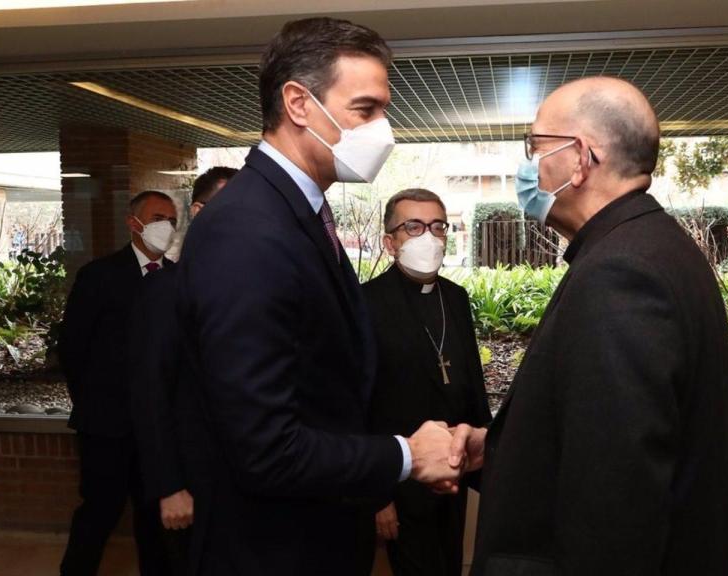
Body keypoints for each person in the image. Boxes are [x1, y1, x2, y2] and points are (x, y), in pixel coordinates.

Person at [174, 17, 461, 576]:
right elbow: (265, 448)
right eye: (365, 109)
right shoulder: (248, 230)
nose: (384, 129)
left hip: (315, 536)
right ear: (299, 104)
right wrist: (405, 456)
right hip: (270, 549)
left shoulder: (294, 213)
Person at [450, 77, 728, 575]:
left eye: (535, 146)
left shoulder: (620, 274)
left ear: (580, 158)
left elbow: (615, 503)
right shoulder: (651, 246)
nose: (528, 165)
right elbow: (598, 434)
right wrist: (497, 449)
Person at [363, 189, 492, 576]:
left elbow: (471, 381)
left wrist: (486, 457)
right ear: (390, 242)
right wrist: (377, 495)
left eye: (437, 226)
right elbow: (360, 407)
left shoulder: (455, 297)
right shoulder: (365, 303)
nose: (428, 237)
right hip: (401, 480)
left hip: (454, 471)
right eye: (413, 226)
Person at [59, 190, 178, 576]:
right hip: (106, 428)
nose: (167, 227)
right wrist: (97, 405)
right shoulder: (99, 276)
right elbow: (73, 350)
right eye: (159, 217)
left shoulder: (179, 279)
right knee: (98, 513)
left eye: (173, 220)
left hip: (158, 432)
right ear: (133, 223)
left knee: (156, 522)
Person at [128, 167, 237, 575]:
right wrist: (170, 486)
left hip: (245, 483)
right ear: (199, 211)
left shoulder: (254, 285)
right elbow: (150, 394)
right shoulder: (163, 292)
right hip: (191, 484)